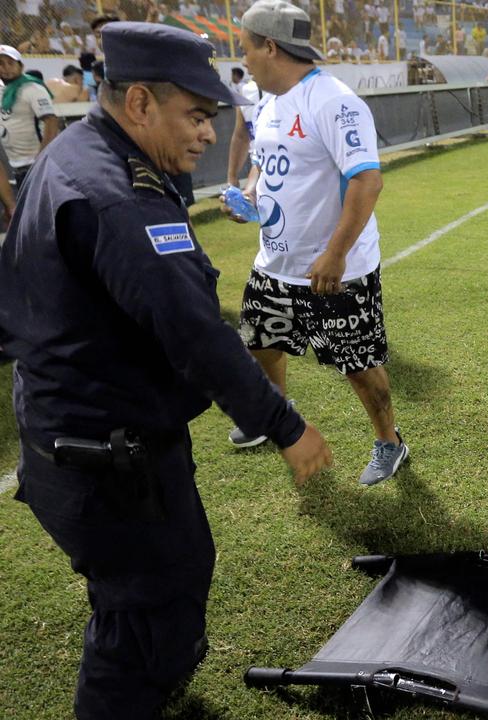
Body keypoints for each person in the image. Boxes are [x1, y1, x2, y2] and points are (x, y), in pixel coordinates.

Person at [0, 22, 333, 719]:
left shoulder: (75, 157)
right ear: (141, 104)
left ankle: (162, 679)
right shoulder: (123, 197)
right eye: (196, 115)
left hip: (72, 435)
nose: (209, 134)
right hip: (105, 458)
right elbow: (195, 335)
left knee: (158, 584)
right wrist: (285, 425)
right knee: (148, 611)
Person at [227, 0, 408, 486]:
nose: (242, 57)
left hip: (335, 269)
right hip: (275, 262)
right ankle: (277, 416)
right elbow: (265, 163)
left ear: (269, 46)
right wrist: (250, 192)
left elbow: (366, 182)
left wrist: (335, 253)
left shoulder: (334, 101)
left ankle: (389, 442)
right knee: (262, 343)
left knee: (358, 365)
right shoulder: (266, 101)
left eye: (245, 46)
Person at [0, 45, 61, 194]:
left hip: (36, 164)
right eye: (1, 64)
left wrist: (41, 159)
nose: (6, 68)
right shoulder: (3, 90)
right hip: (16, 164)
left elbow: (51, 122)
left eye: (10, 63)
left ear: (20, 66)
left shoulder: (32, 88)